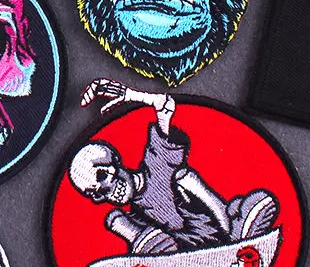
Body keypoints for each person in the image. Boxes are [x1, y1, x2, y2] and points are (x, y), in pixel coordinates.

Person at [69, 79, 278, 255]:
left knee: (184, 178)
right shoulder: (134, 214)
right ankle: (157, 254)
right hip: (188, 250)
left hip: (215, 227)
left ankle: (232, 225)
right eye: (96, 193)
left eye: (103, 176)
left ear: (115, 162)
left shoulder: (157, 162)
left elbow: (165, 106)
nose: (108, 191)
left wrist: (130, 94)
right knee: (116, 220)